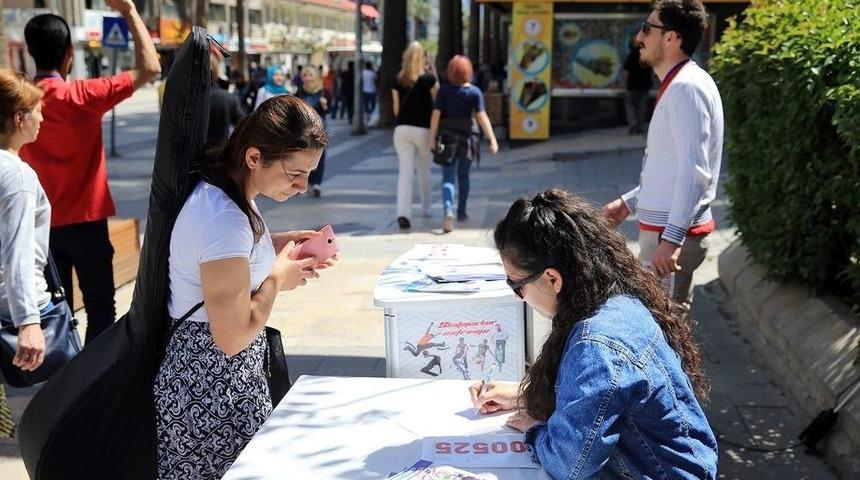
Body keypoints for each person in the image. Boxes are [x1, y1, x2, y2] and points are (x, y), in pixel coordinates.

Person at [470, 188, 717, 479]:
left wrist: (535, 431)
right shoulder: (613, 300)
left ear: (552, 278)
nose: (517, 297)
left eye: (516, 285)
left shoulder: (598, 344)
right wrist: (526, 395)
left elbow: (569, 463)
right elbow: (594, 402)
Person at [154, 95, 332, 478]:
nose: (302, 187)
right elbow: (232, 336)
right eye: (294, 173)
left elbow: (228, 259)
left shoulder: (227, 194)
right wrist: (276, 278)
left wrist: (275, 245)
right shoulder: (224, 219)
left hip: (214, 387)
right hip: (209, 394)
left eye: (309, 174)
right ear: (254, 158)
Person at [20, 0, 161, 344]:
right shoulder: (83, 95)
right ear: (69, 54)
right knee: (100, 306)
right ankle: (93, 381)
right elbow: (150, 67)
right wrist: (128, 11)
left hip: (40, 226)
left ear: (30, 53)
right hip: (88, 221)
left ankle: (62, 381)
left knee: (55, 309)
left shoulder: (19, 102)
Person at [602, 0, 723, 310]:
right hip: (664, 237)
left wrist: (671, 241)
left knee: (665, 341)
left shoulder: (686, 88)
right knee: (663, 336)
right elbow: (671, 170)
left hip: (667, 241)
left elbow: (693, 172)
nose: (641, 37)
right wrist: (630, 202)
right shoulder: (682, 84)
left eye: (647, 29)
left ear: (671, 37)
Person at [0, 69, 49, 438]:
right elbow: (16, 253)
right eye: (37, 111)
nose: (42, 118)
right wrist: (28, 322)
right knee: (59, 417)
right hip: (24, 311)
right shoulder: (16, 175)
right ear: (19, 118)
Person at [429, 55, 499, 233]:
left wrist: (432, 137)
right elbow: (481, 116)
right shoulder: (474, 92)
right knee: (464, 176)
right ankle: (461, 212)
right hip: (468, 139)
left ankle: (447, 210)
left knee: (448, 177)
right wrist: (492, 138)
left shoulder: (444, 91)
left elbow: (436, 115)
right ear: (468, 72)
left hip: (447, 138)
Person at [391, 41, 438, 229]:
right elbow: (438, 104)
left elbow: (396, 110)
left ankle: (403, 212)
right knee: (424, 170)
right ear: (423, 58)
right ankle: (426, 208)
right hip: (423, 130)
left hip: (401, 130)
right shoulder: (429, 79)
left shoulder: (397, 80)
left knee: (405, 172)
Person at [296, 65, 329, 198]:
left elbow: (330, 109)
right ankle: (305, 181)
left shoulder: (323, 91)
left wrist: (325, 105)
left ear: (316, 76)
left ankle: (317, 184)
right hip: (303, 129)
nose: (308, 78)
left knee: (320, 155)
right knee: (303, 155)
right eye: (305, 75)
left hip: (320, 128)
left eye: (310, 75)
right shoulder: (299, 91)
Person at [207, 52, 245, 144]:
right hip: (220, 153)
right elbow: (244, 126)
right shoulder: (228, 98)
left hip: (189, 156)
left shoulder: (184, 97)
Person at [623, 38, 654, 135]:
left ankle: (633, 124)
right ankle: (640, 126)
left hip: (633, 84)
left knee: (629, 104)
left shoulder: (632, 54)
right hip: (645, 85)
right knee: (642, 106)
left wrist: (624, 82)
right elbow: (652, 69)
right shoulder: (648, 54)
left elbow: (626, 68)